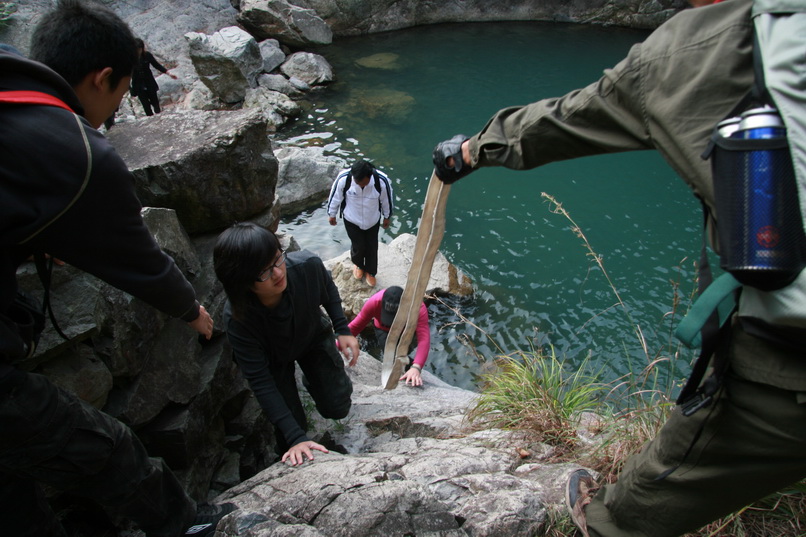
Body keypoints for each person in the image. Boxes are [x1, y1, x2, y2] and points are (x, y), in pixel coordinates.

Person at [431, 1, 806, 536]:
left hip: (784, 364)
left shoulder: (701, 49)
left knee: (648, 497)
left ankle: (606, 522)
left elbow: (563, 119)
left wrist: (469, 151)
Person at [0, 1, 234, 536]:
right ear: (103, 78)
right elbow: (141, 261)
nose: (110, 114)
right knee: (106, 448)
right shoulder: (78, 153)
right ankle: (193, 527)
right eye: (121, 94)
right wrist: (192, 310)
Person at [213, 222, 359, 466]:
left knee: (337, 406)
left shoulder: (306, 267)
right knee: (290, 434)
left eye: (277, 260)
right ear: (242, 281)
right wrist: (296, 437)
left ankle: (312, 378)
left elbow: (327, 289)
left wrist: (342, 330)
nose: (278, 273)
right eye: (264, 272)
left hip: (311, 333)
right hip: (274, 358)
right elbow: (260, 382)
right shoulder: (238, 319)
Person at [326, 159, 394, 287]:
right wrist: (332, 214)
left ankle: (371, 272)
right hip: (352, 219)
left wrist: (387, 217)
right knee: (358, 245)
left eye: (360, 181)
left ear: (369, 176)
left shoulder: (381, 181)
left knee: (371, 246)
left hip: (372, 219)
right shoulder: (344, 179)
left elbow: (387, 200)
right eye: (355, 180)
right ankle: (358, 265)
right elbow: (335, 197)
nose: (357, 183)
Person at [349, 286, 431, 386]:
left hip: (407, 330)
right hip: (383, 330)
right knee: (391, 357)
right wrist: (338, 343)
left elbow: (424, 339)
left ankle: (410, 365)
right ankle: (404, 363)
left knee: (405, 352)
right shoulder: (374, 302)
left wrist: (416, 367)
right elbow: (356, 325)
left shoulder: (418, 308)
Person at [130, 38, 178, 116]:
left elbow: (156, 65)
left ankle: (159, 117)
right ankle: (150, 119)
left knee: (155, 103)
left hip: (149, 82)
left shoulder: (147, 55)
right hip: (138, 85)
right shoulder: (130, 59)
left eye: (139, 49)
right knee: (146, 106)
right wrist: (129, 88)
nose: (138, 52)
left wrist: (168, 73)